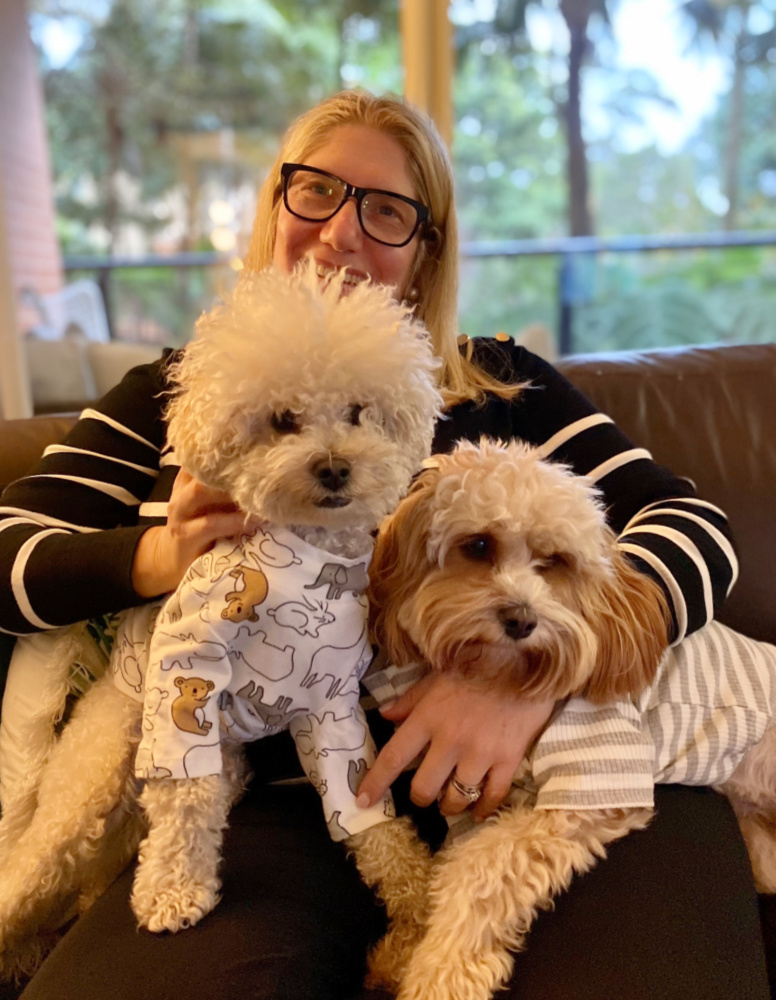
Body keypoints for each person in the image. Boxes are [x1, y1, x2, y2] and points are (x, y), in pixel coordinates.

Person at [0, 90, 767, 1000]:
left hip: (555, 774)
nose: (341, 232)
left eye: (387, 210)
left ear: (425, 250)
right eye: (315, 192)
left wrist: (534, 689)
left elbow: (694, 530)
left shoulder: (499, 386)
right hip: (276, 813)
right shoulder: (169, 394)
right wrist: (157, 558)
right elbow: (11, 555)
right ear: (275, 206)